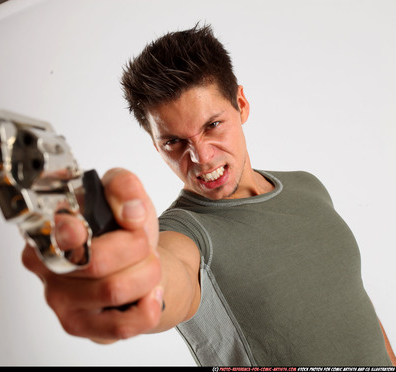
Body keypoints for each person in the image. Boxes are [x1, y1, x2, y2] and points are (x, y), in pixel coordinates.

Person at [21, 23, 396, 366]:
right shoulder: (186, 230)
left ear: (242, 105)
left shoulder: (307, 185)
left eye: (212, 125)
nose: (201, 157)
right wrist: (130, 283)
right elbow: (170, 276)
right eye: (174, 142)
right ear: (155, 145)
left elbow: (358, 306)